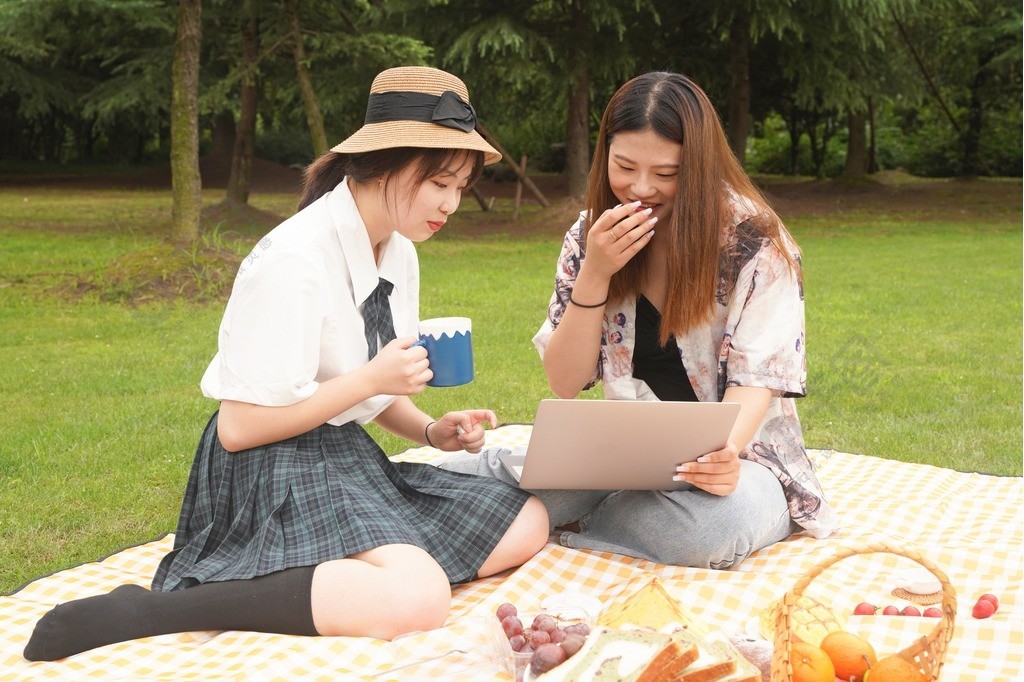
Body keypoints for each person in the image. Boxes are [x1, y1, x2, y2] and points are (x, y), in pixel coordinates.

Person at [24, 66, 548, 662]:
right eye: (441, 184)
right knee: (421, 597)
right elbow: (239, 428)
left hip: (341, 453)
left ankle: (341, 576)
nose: (452, 204)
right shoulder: (294, 258)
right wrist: (371, 379)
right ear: (390, 163)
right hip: (266, 464)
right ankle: (163, 609)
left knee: (527, 520)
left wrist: (430, 429)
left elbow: (370, 388)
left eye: (460, 186)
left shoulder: (398, 248)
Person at [441, 71, 837, 569]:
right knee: (457, 479)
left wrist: (724, 455)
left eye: (666, 174)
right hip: (618, 455)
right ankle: (576, 504)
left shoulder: (754, 243)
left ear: (698, 168)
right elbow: (565, 381)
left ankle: (568, 518)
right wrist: (596, 273)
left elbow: (756, 380)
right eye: (624, 166)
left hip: (734, 465)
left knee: (713, 530)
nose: (641, 188)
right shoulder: (590, 235)